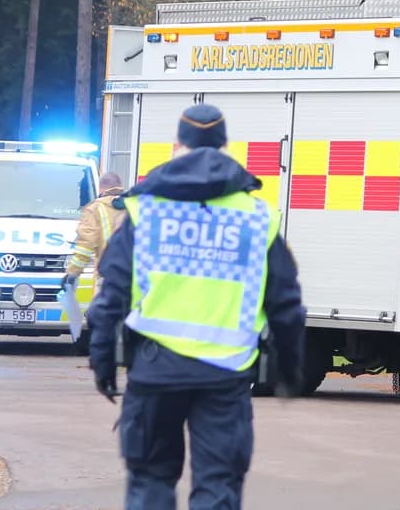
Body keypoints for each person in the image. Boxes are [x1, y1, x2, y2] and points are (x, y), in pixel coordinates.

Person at [88, 103, 306, 510]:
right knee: (218, 486)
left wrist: (102, 363)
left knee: (150, 481)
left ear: (179, 144)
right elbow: (286, 304)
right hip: (226, 376)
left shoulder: (146, 211)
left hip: (154, 370)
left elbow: (110, 298)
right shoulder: (256, 217)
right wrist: (290, 371)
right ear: (224, 145)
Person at [61, 171, 127, 291]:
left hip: (107, 276)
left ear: (101, 188)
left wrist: (72, 273)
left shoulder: (95, 209)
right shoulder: (134, 206)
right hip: (132, 277)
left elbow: (85, 247)